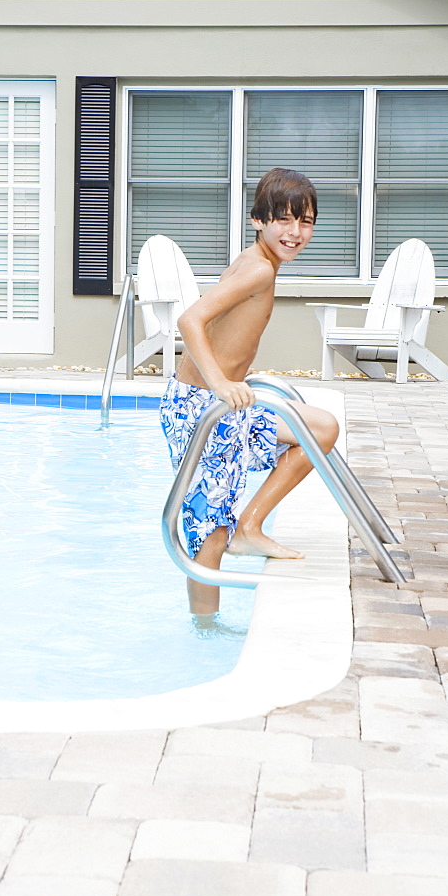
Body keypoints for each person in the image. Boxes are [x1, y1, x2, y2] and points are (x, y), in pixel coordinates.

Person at [160, 167, 339, 615]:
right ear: (259, 219)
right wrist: (221, 382)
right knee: (210, 530)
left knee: (320, 428)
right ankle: (205, 628)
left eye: (306, 222)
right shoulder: (259, 269)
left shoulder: (257, 261)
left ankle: (251, 526)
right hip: (203, 406)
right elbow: (190, 320)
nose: (296, 232)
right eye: (284, 219)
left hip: (223, 403)